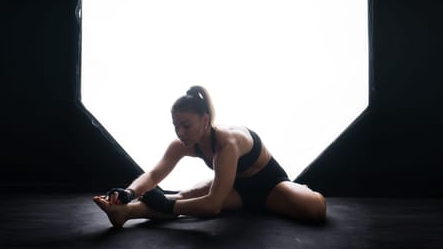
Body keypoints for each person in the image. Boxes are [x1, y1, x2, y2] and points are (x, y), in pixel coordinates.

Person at [93, 86, 326, 228]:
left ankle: (300, 190)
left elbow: (213, 205)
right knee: (186, 196)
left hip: (270, 186)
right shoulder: (184, 144)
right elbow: (154, 174)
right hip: (234, 189)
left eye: (186, 125)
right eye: (176, 126)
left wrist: (167, 203)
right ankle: (125, 213)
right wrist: (128, 193)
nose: (180, 132)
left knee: (313, 211)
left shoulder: (227, 142)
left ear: (205, 120)